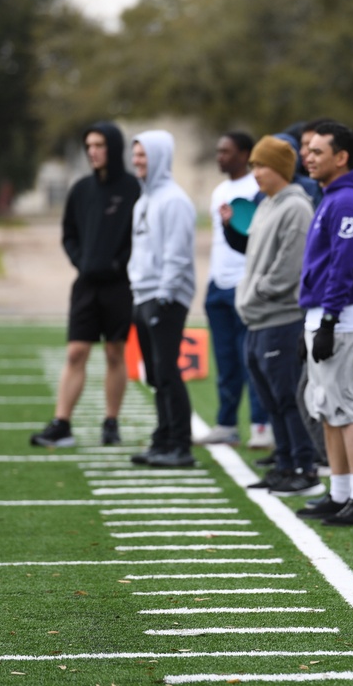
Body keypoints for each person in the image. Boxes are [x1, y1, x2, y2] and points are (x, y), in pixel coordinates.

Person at [223, 136, 323, 496]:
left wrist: (261, 289)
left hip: (281, 317)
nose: (255, 173)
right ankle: (283, 464)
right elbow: (257, 253)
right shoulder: (267, 204)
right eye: (252, 165)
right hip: (257, 318)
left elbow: (291, 265)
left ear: (280, 168)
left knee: (287, 397)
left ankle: (304, 468)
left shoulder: (296, 207)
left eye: (260, 165)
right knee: (269, 399)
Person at [30, 121, 138, 449]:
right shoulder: (80, 190)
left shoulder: (133, 189)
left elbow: (139, 236)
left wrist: (117, 264)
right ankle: (61, 423)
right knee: (76, 352)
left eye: (99, 145)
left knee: (114, 352)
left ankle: (111, 422)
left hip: (119, 285)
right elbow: (69, 233)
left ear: (114, 148)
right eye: (89, 146)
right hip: (86, 285)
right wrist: (82, 262)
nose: (93, 151)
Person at [295, 121, 353, 526]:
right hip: (329, 314)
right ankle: (340, 492)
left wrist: (327, 318)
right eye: (306, 150)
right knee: (327, 407)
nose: (307, 156)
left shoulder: (347, 201)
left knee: (346, 407)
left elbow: (343, 268)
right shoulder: (332, 197)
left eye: (317, 151)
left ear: (341, 157)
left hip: (344, 316)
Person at [194, 131, 273, 450]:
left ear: (244, 154)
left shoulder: (257, 188)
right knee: (225, 362)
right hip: (218, 286)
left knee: (250, 360)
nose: (219, 157)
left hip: (245, 286)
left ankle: (261, 427)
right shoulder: (219, 191)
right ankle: (226, 424)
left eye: (226, 151)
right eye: (218, 151)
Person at [126, 130, 198, 468]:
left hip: (165, 297)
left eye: (143, 155)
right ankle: (163, 437)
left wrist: (166, 293)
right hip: (143, 295)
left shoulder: (174, 200)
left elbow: (178, 253)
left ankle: (179, 445)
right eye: (136, 155)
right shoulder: (144, 200)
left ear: (159, 157)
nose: (137, 161)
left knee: (167, 371)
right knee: (154, 374)